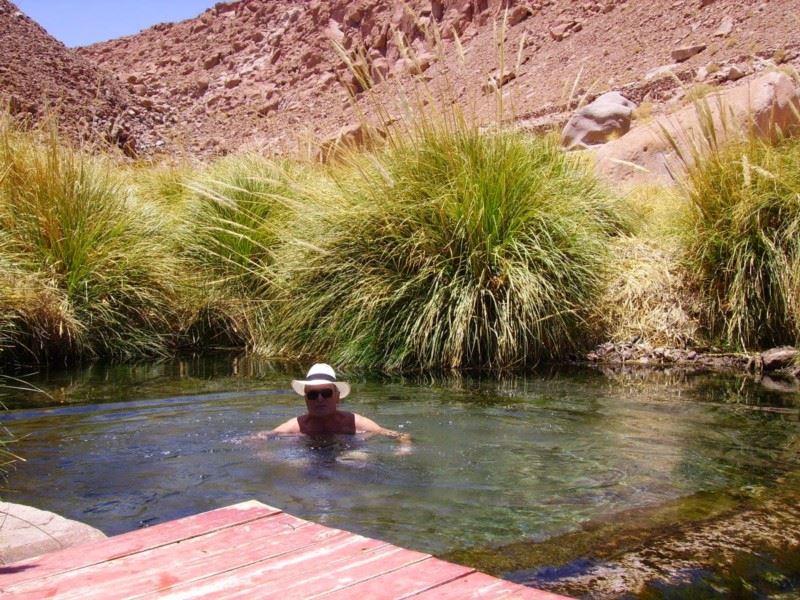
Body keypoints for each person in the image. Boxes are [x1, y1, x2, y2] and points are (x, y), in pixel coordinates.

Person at [269, 363, 411, 445]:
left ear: (337, 397)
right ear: (306, 399)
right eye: (313, 394)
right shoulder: (297, 426)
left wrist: (404, 449)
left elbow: (400, 435)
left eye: (326, 393)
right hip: (308, 459)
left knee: (358, 459)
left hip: (346, 455)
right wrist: (265, 455)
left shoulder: (354, 423)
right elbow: (259, 438)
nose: (319, 399)